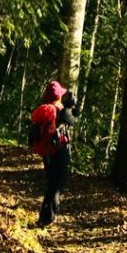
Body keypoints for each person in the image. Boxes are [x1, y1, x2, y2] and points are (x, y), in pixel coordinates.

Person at [34, 81, 79, 228]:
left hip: (47, 151)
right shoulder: (61, 110)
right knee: (56, 185)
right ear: (59, 96)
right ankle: (48, 218)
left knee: (51, 183)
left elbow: (34, 118)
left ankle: (44, 217)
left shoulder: (43, 109)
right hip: (59, 151)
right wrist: (70, 108)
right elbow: (73, 121)